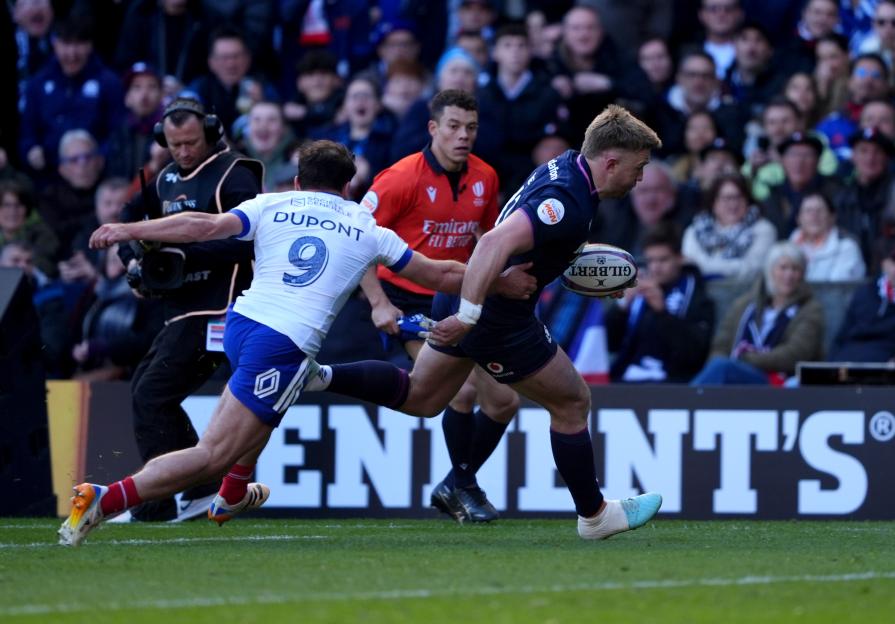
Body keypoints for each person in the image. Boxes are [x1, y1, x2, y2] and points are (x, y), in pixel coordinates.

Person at [58, 140, 529, 546]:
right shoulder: (367, 228)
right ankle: (104, 498)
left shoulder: (270, 204)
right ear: (349, 187)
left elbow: (202, 226)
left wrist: (130, 228)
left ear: (299, 180)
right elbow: (441, 273)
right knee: (212, 454)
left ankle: (234, 492)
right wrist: (500, 282)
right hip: (283, 343)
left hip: (241, 325)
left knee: (264, 409)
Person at [306, 105, 664, 540]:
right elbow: (494, 241)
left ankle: (319, 376)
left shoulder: (569, 166)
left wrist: (574, 274)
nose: (640, 177)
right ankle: (594, 515)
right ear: (611, 162)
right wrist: (469, 315)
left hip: (464, 294)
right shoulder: (567, 201)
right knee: (572, 403)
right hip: (495, 317)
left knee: (422, 396)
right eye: (639, 167)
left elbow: (528, 246)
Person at [358, 89, 519, 523]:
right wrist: (377, 303)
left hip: (462, 299)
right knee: (461, 390)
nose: (463, 136)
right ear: (433, 129)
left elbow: (490, 243)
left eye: (470, 128)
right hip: (405, 299)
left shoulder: (486, 177)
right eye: (453, 126)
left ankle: (457, 482)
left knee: (504, 402)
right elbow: (352, 242)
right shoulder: (398, 178)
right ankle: (463, 487)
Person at [113, 96, 263, 523]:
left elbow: (248, 240)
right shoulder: (161, 181)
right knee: (147, 390)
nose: (183, 152)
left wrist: (184, 254)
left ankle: (162, 498)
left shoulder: (235, 174)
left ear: (211, 132)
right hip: (180, 310)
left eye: (191, 143)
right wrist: (135, 265)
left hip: (221, 310)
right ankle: (199, 487)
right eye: (175, 144)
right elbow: (126, 221)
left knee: (151, 393)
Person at [691, 241, 825, 385]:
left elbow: (795, 354)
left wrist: (746, 359)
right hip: (739, 372)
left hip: (778, 380)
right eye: (783, 268)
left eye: (795, 269)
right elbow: (721, 346)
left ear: (802, 274)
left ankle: (687, 402)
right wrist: (733, 362)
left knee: (723, 368)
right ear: (770, 271)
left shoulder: (810, 309)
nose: (789, 275)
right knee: (719, 365)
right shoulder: (744, 305)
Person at [605, 223, 715, 383]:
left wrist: (662, 312)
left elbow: (694, 354)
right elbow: (610, 344)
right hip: (626, 380)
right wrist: (622, 307)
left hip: (672, 386)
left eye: (663, 260)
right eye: (650, 261)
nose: (655, 268)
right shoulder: (638, 292)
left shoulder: (698, 297)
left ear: (680, 258)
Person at [682, 172, 777, 281]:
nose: (733, 204)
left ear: (748, 200)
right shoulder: (694, 231)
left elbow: (752, 269)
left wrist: (704, 265)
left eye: (738, 197)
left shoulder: (763, 229)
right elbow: (690, 267)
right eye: (726, 198)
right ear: (713, 202)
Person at [789, 191, 866, 282]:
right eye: (808, 211)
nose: (814, 216)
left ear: (832, 217)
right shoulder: (791, 244)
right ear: (798, 219)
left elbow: (838, 287)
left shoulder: (847, 247)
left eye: (819, 210)